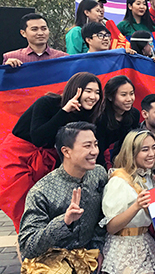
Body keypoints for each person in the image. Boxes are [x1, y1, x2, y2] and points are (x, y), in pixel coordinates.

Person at [0, 73, 103, 232]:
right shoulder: (47, 103)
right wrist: (64, 111)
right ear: (75, 89)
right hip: (18, 159)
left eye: (97, 92)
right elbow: (39, 138)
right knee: (24, 214)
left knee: (50, 210)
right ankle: (29, 244)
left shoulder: (87, 115)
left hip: (50, 161)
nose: (93, 96)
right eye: (88, 91)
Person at [19, 122, 107, 274]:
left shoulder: (99, 174)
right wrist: (64, 222)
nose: (95, 151)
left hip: (89, 256)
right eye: (87, 146)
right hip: (52, 263)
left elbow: (102, 216)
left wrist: (97, 247)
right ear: (66, 151)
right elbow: (28, 246)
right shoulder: (42, 191)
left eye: (96, 144)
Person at [100, 130, 155, 274]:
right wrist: (136, 206)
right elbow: (111, 227)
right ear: (131, 153)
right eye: (145, 149)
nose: (152, 153)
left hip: (146, 241)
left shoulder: (149, 176)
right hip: (123, 247)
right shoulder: (118, 181)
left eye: (154, 147)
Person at [95, 75, 140, 167]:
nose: (129, 99)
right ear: (110, 97)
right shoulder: (99, 118)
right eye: (123, 95)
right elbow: (99, 151)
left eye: (131, 93)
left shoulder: (134, 114)